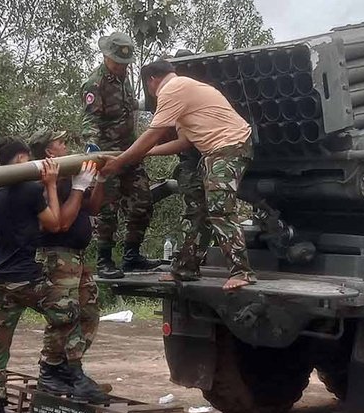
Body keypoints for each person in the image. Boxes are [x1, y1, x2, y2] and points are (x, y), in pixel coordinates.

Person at [0, 139, 103, 413]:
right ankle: (69, 373)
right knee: (68, 311)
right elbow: (55, 223)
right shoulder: (32, 190)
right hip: (26, 279)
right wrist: (50, 184)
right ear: (24, 157)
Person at [102, 59, 256, 291]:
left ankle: (242, 272)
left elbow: (153, 133)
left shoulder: (172, 89)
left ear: (151, 80)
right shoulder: (184, 91)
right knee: (197, 210)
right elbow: (183, 142)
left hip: (229, 146)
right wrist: (148, 153)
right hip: (216, 150)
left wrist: (121, 161)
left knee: (219, 208)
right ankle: (186, 268)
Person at [29, 128, 106, 380]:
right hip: (57, 256)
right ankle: (52, 368)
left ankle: (70, 369)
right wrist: (78, 188)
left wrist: (100, 180)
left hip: (77, 257)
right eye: (61, 143)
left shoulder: (68, 174)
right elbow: (60, 223)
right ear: (49, 151)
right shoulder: (44, 181)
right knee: (63, 317)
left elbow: (93, 207)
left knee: (88, 313)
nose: (66, 146)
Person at [80, 31, 156, 279]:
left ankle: (132, 256)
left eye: (125, 63)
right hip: (107, 155)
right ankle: (104, 260)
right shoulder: (94, 83)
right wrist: (92, 147)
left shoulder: (125, 78)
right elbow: (90, 120)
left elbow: (127, 105)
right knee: (107, 209)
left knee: (143, 201)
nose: (121, 67)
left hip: (129, 152)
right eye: (117, 62)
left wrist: (147, 104)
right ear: (105, 56)